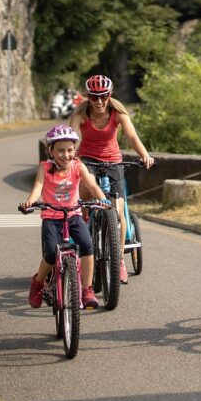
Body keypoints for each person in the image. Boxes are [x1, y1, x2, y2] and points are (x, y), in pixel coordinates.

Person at [72, 73, 155, 283]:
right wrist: (69, 157)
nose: (99, 101)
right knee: (84, 188)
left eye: (103, 96)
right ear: (87, 96)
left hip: (113, 160)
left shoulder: (117, 112)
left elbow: (133, 137)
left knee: (118, 212)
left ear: (109, 94)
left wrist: (144, 155)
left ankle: (118, 261)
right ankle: (85, 221)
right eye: (94, 96)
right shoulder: (81, 114)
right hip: (88, 159)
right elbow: (72, 138)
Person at [21, 124, 109, 309]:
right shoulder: (44, 167)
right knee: (52, 254)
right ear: (50, 150)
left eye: (70, 150)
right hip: (51, 217)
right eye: (60, 150)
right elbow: (37, 187)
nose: (66, 155)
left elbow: (92, 186)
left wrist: (102, 199)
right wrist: (30, 201)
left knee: (87, 246)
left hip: (74, 215)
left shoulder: (78, 166)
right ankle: (38, 282)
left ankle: (87, 290)